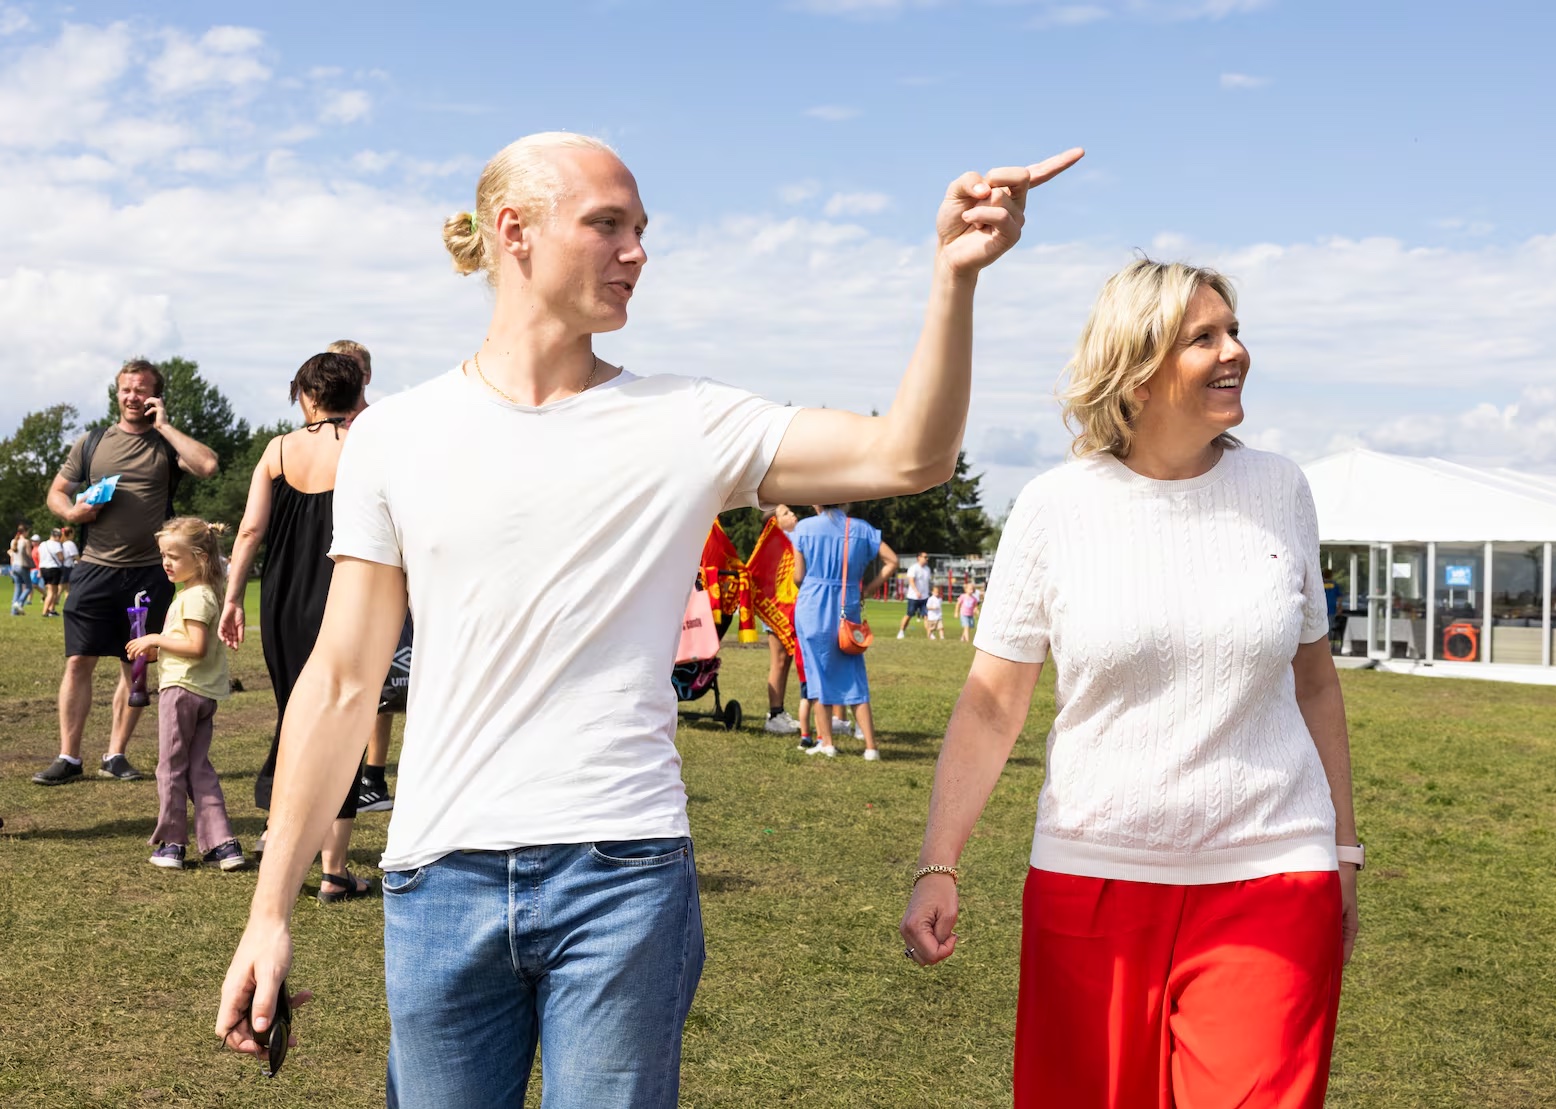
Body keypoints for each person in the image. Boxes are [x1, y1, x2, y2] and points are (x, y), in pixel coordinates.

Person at [213, 130, 1081, 1106]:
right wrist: (268, 911)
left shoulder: (689, 421)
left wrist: (952, 280)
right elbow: (339, 681)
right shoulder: (394, 438)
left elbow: (907, 456)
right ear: (515, 232)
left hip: (622, 878)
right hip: (437, 878)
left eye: (641, 230)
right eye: (608, 225)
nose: (638, 251)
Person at [899, 259, 1360, 1109]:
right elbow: (994, 701)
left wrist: (1343, 851)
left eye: (1235, 330)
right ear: (1138, 368)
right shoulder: (1053, 507)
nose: (1237, 352)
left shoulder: (1281, 488)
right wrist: (940, 862)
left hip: (1271, 872)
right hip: (1090, 876)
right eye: (1205, 337)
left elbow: (1316, 683)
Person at [220, 352, 374, 902]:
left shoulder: (278, 450)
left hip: (281, 600)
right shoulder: (369, 443)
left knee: (294, 716)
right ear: (356, 391)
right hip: (347, 597)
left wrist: (233, 598)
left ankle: (278, 839)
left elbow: (249, 531)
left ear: (304, 396)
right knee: (347, 720)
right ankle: (334, 869)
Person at [32, 359, 219, 786]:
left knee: (133, 665)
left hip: (149, 573)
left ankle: (116, 754)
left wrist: (165, 426)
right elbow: (56, 493)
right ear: (117, 394)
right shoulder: (93, 443)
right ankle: (69, 757)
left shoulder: (166, 445)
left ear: (155, 396)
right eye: (126, 390)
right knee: (79, 660)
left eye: (142, 391)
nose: (132, 397)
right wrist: (73, 510)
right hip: (95, 567)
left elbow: (207, 465)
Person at [127, 517, 248, 871]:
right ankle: (222, 845)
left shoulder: (195, 597)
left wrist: (154, 639)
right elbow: (188, 644)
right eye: (163, 555)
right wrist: (159, 650)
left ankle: (173, 843)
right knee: (198, 768)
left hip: (181, 691)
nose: (166, 562)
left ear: (200, 558)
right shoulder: (204, 594)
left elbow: (194, 646)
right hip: (202, 694)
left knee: (170, 768)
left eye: (174, 556)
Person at [326, 338, 401, 815]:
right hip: (329, 559)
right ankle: (335, 768)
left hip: (376, 563)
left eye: (349, 368)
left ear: (366, 376)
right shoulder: (313, 434)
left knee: (383, 676)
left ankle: (373, 774)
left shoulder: (381, 426)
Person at [792, 504, 899, 759]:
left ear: (817, 503)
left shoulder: (804, 528)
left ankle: (826, 743)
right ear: (846, 502)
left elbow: (798, 576)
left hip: (812, 604)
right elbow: (892, 561)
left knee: (817, 672)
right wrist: (868, 589)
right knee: (853, 672)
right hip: (846, 603)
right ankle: (871, 747)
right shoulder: (862, 529)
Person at [761, 503, 804, 736]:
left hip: (793, 607)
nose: (793, 514)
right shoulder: (776, 543)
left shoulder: (793, 537)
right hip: (779, 609)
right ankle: (774, 713)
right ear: (774, 522)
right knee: (779, 660)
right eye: (785, 513)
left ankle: (779, 712)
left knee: (787, 661)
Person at [897, 551, 932, 638]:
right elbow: (911, 581)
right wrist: (916, 591)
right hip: (914, 597)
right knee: (909, 614)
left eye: (927, 557)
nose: (927, 559)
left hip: (924, 597)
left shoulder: (927, 569)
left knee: (926, 615)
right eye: (925, 557)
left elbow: (928, 582)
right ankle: (901, 631)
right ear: (919, 557)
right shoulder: (913, 568)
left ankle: (929, 634)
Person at [38, 528, 67, 617]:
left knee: (51, 590)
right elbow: (61, 557)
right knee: (52, 591)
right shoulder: (56, 545)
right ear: (57, 536)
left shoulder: (43, 544)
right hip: (53, 568)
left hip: (43, 568)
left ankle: (51, 609)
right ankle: (45, 611)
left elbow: (39, 556)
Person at [8, 524, 32, 615]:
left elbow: (12, 555)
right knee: (28, 587)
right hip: (23, 566)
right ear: (25, 532)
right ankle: (19, 603)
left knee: (18, 588)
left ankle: (13, 611)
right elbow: (29, 555)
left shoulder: (13, 541)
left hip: (14, 566)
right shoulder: (26, 541)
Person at [60, 525, 80, 603]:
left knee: (68, 588)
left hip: (63, 567)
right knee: (61, 588)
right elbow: (76, 557)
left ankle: (67, 604)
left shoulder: (63, 543)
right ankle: (51, 606)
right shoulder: (70, 544)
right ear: (70, 534)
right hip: (67, 568)